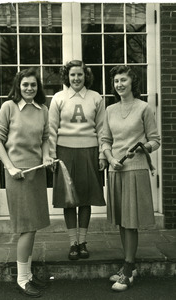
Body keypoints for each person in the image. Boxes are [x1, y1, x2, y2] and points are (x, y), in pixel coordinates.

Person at [0, 68, 54, 298]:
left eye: (33, 85)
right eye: (25, 84)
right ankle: (21, 279)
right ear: (18, 86)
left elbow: (46, 138)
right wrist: (10, 167)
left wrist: (47, 156)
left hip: (36, 173)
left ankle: (28, 274)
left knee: (33, 226)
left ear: (38, 88)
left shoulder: (43, 110)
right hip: (17, 174)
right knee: (26, 228)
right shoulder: (8, 107)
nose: (29, 88)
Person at [101, 65, 160, 292]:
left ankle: (128, 269)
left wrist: (141, 147)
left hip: (135, 169)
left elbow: (155, 140)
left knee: (131, 221)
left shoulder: (144, 108)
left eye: (123, 80)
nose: (119, 84)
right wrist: (109, 157)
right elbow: (105, 139)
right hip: (116, 169)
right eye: (116, 81)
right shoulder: (110, 110)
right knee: (122, 221)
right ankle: (129, 265)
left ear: (132, 82)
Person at [49, 60, 107, 261]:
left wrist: (102, 154)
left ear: (85, 76)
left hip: (89, 151)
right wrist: (51, 156)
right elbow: (51, 129)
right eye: (72, 75)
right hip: (64, 152)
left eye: (80, 75)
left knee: (85, 198)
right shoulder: (59, 98)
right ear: (67, 76)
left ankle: (83, 242)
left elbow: (102, 128)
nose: (76, 78)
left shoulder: (95, 98)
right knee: (68, 200)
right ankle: (72, 243)